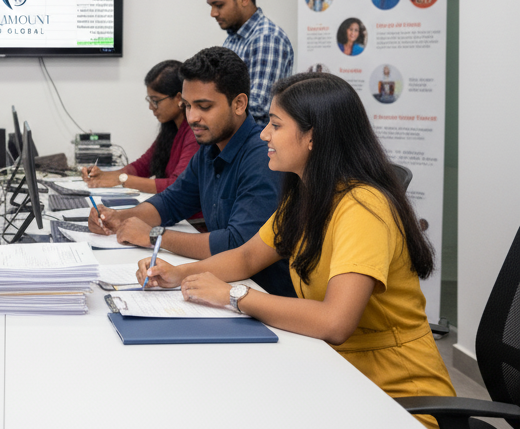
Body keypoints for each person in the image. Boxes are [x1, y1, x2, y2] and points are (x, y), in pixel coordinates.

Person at [137, 72, 454, 428]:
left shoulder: (363, 208)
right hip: (338, 374)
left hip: (396, 399)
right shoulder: (309, 195)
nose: (264, 135)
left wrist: (233, 295)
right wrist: (176, 274)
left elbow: (335, 322)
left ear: (313, 137)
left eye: (275, 125)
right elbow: (247, 256)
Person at [88, 47, 295, 297]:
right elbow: (172, 202)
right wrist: (119, 217)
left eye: (204, 106)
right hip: (230, 285)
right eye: (187, 106)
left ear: (239, 104)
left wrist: (154, 236)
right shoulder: (210, 149)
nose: (192, 117)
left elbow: (238, 243)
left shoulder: (262, 157)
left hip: (265, 294)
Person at [81, 60, 198, 194]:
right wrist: (103, 175)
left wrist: (121, 180)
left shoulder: (194, 133)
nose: (150, 107)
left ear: (179, 98)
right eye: (149, 100)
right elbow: (143, 166)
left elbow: (177, 186)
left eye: (155, 101)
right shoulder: (171, 128)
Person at [200, 0, 293, 126]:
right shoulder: (233, 38)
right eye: (211, 6)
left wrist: (207, 108)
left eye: (219, 5)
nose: (213, 13)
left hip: (257, 140)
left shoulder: (267, 38)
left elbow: (259, 108)